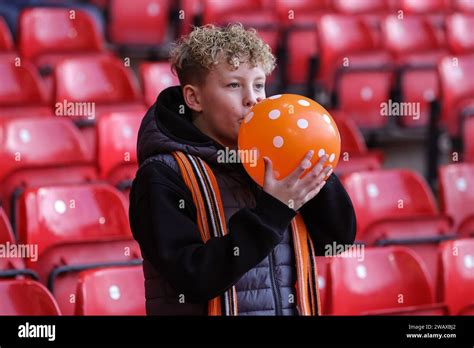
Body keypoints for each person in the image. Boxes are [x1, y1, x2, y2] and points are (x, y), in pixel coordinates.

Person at [129, 23, 356, 316]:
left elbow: (336, 243)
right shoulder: (161, 175)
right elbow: (192, 279)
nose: (253, 99)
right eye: (234, 85)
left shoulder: (271, 158)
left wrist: (312, 169)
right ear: (194, 98)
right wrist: (273, 210)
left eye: (259, 84)